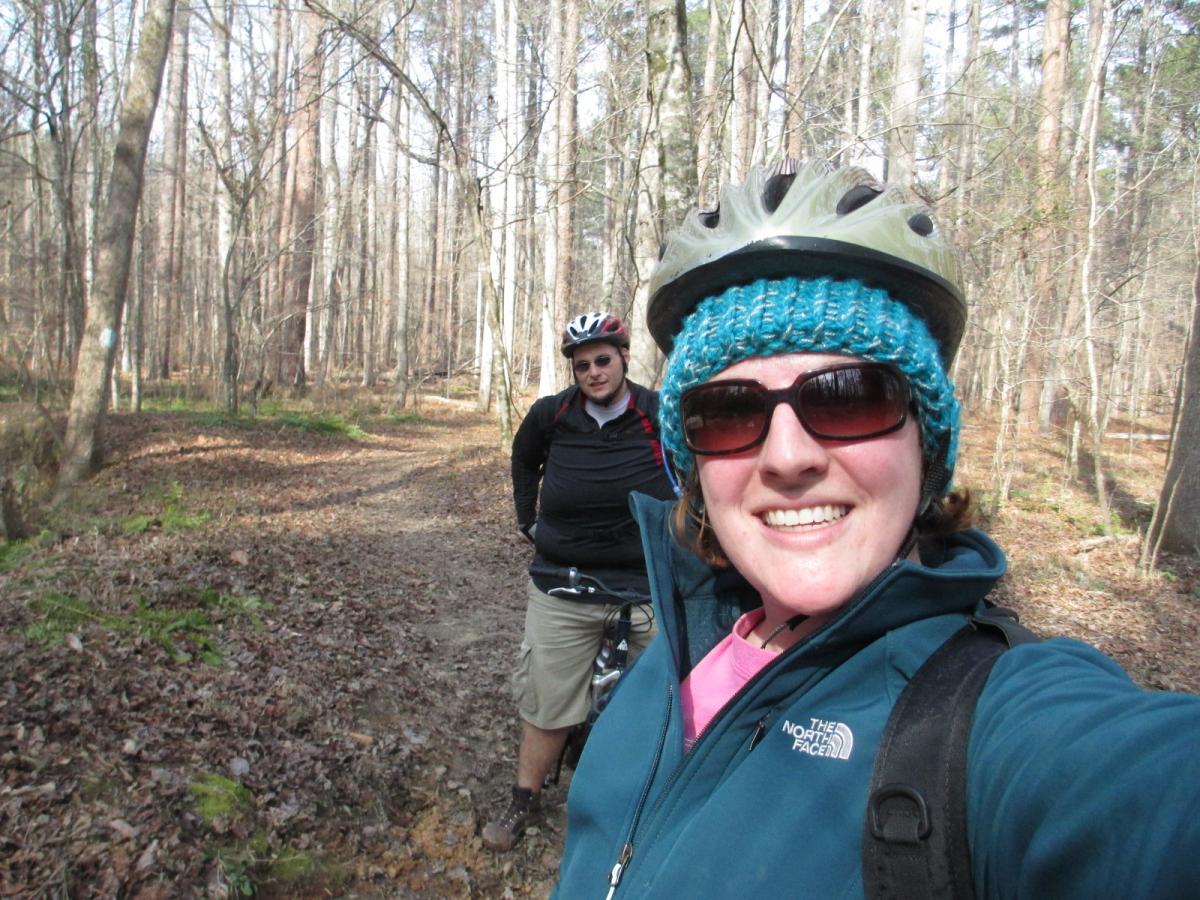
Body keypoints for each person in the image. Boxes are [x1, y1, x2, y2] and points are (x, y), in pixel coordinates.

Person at [552, 160, 1200, 896]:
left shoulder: (989, 723)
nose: (788, 457)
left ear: (925, 448)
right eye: (728, 412)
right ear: (692, 462)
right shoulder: (679, 646)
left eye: (849, 398)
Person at [482, 312, 677, 852]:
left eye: (603, 360)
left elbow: (697, 472)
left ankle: (648, 802)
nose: (594, 372)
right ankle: (524, 799)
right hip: (562, 583)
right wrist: (528, 519)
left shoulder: (658, 414)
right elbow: (524, 462)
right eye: (583, 364)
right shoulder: (553, 415)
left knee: (665, 699)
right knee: (546, 701)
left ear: (623, 357)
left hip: (648, 585)